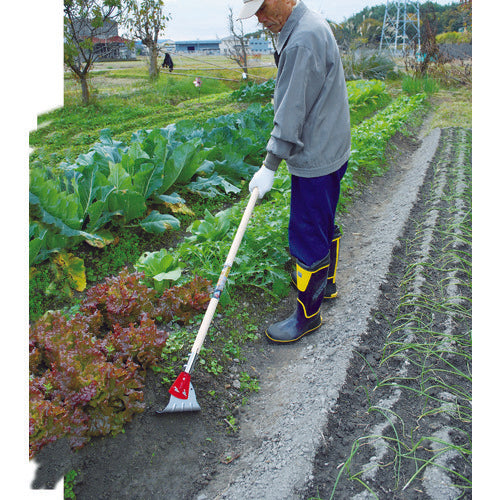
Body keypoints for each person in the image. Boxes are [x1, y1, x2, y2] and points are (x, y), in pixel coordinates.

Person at [238, 0, 351, 343]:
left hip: (316, 154)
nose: (260, 18)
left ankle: (307, 317)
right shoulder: (309, 24)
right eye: (254, 11)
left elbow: (290, 114)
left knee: (306, 234)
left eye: (263, 8)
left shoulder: (301, 40)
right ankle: (325, 285)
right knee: (322, 219)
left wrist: (269, 165)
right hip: (332, 143)